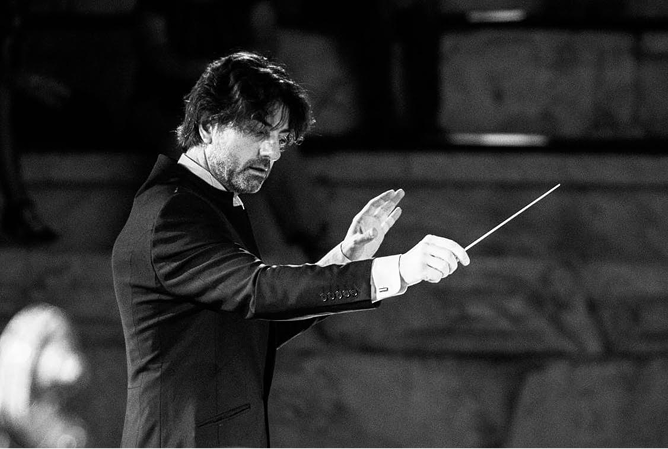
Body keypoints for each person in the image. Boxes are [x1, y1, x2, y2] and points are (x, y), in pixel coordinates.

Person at [112, 51, 470, 448]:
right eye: (258, 131)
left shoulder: (209, 203)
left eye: (281, 139)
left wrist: (346, 257)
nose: (272, 152)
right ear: (209, 126)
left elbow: (255, 329)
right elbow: (260, 290)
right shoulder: (173, 211)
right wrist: (397, 269)